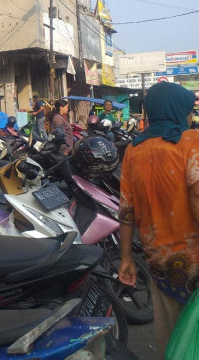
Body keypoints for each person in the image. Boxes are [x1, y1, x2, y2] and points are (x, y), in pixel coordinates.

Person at [117, 82, 199, 359]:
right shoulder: (191, 142)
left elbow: (126, 210)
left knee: (172, 333)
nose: (190, 117)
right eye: (189, 111)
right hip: (193, 259)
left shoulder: (133, 150)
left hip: (157, 260)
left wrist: (126, 258)